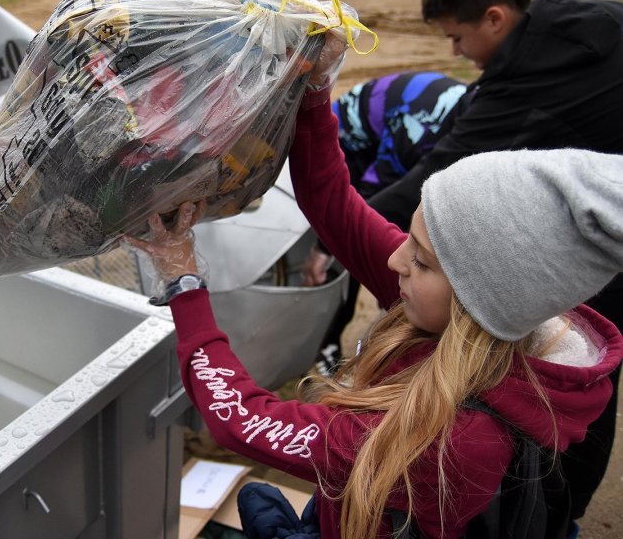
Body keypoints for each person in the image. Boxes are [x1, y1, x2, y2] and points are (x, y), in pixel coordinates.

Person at [126, 71, 623, 538]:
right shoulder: (485, 317)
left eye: (423, 261)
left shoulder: (458, 442)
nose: (395, 260)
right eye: (410, 235)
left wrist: (183, 281)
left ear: (480, 299)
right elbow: (333, 205)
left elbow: (239, 418)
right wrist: (313, 90)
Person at [338, 0, 623, 526]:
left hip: (594, 263)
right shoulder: (606, 20)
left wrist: (344, 227)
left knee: (559, 387)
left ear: (496, 18)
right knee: (587, 381)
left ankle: (549, 517)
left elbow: (436, 173)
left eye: (458, 38)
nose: (457, 53)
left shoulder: (519, 81)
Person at [303, 72, 466, 372]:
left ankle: (394, 318)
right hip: (348, 147)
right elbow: (372, 200)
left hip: (391, 141)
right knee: (354, 252)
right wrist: (323, 249)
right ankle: (327, 344)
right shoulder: (418, 127)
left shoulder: (466, 127)